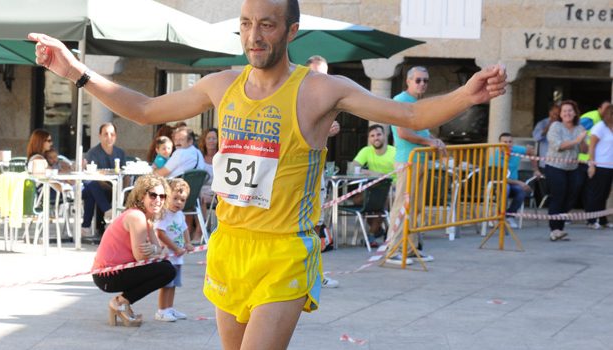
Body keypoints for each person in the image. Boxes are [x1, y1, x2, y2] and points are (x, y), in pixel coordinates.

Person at [29, 0, 506, 345]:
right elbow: (146, 108)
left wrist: (466, 96)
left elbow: (407, 117)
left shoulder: (320, 90)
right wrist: (77, 73)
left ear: (291, 31)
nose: (255, 36)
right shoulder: (221, 84)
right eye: (246, 24)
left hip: (284, 252)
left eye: (267, 25)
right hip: (230, 245)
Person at [91, 174, 176, 327]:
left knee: (166, 266)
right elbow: (142, 257)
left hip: (111, 272)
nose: (158, 200)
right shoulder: (137, 217)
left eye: (162, 196)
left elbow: (161, 253)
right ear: (141, 196)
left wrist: (155, 249)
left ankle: (123, 303)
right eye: (153, 195)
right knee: (167, 270)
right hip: (108, 275)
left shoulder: (146, 218)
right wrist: (154, 250)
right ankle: (120, 302)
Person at [386, 66, 443, 265]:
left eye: (425, 81)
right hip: (407, 159)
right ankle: (393, 249)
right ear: (408, 81)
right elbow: (403, 133)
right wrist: (429, 143)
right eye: (418, 80)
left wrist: (434, 140)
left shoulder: (417, 103)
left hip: (419, 160)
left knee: (416, 208)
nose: (422, 84)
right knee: (402, 205)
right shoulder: (401, 100)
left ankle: (410, 249)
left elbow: (423, 133)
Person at [306, 54, 341, 288]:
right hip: (300, 172)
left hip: (318, 169)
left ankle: (315, 273)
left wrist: (331, 128)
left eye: (324, 74)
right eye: (317, 73)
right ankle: (305, 274)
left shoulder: (329, 99)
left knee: (317, 223)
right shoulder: (300, 97)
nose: (321, 78)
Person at [545, 100, 587, 241]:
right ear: (560, 114)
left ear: (575, 113)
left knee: (571, 197)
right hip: (555, 167)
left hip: (572, 167)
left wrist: (582, 141)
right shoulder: (556, 126)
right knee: (558, 196)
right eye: (565, 111)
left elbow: (584, 150)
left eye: (570, 111)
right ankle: (555, 229)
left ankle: (560, 228)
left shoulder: (579, 128)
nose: (568, 113)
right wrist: (576, 140)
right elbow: (559, 146)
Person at [154, 178, 194, 322]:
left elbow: (185, 229)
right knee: (166, 285)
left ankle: (169, 308)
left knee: (173, 285)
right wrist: (175, 248)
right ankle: (161, 310)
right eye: (175, 198)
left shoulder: (180, 215)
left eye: (182, 200)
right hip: (167, 257)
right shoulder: (164, 214)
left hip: (177, 257)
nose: (179, 202)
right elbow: (160, 233)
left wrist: (188, 243)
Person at [352, 124, 396, 244]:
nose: (376, 138)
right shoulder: (366, 150)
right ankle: (377, 230)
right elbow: (352, 168)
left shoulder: (394, 152)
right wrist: (374, 173)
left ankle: (372, 234)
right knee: (357, 201)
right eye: (372, 136)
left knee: (380, 202)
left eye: (378, 134)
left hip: (393, 187)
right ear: (369, 139)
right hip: (373, 187)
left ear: (385, 136)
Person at [82, 122, 127, 236]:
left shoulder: (120, 153)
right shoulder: (93, 153)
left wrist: (124, 191)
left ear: (116, 136)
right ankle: (108, 212)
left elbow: (125, 174)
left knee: (90, 192)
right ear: (100, 136)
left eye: (112, 134)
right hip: (101, 187)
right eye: (106, 134)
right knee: (91, 185)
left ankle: (86, 226)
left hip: (116, 188)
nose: (109, 137)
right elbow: (92, 176)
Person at [494, 133, 535, 229]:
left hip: (513, 182)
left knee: (521, 190)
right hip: (499, 183)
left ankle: (510, 216)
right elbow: (501, 177)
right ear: (499, 143)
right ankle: (500, 216)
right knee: (506, 188)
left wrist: (535, 169)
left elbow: (531, 151)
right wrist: (520, 182)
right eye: (505, 142)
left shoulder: (516, 149)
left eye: (510, 141)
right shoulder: (496, 156)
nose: (508, 144)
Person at [585, 103, 613, 229]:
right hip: (600, 165)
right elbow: (592, 147)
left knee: (605, 194)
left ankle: (602, 220)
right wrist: (592, 165)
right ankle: (591, 220)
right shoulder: (599, 127)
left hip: (610, 165)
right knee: (597, 193)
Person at [532, 103, 560, 174]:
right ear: (550, 112)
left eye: (558, 113)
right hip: (545, 162)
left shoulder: (565, 124)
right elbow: (536, 138)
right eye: (554, 113)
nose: (556, 115)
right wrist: (549, 126)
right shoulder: (542, 123)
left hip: (561, 163)